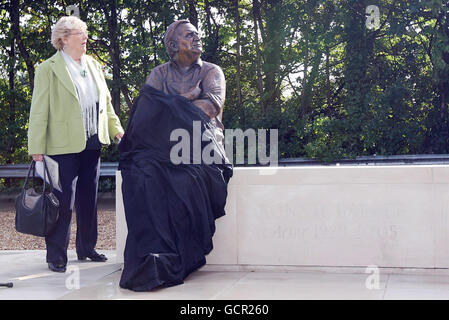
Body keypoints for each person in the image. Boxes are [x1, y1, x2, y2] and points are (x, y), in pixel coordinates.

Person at [118, 20, 232, 291]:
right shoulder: (158, 74)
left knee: (186, 180)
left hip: (200, 143)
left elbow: (208, 109)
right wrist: (188, 98)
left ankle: (184, 256)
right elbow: (146, 112)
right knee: (140, 175)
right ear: (173, 45)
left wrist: (173, 103)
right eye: (189, 35)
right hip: (159, 146)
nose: (197, 38)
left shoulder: (211, 71)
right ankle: (152, 256)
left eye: (197, 34)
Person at [27, 16, 124, 273]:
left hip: (92, 141)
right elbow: (39, 110)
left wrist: (117, 132)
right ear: (63, 38)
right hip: (61, 145)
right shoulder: (48, 68)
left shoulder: (93, 64)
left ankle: (87, 248)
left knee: (88, 200)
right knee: (62, 201)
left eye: (86, 32)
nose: (85, 37)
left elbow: (105, 104)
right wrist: (36, 145)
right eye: (80, 33)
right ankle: (56, 255)